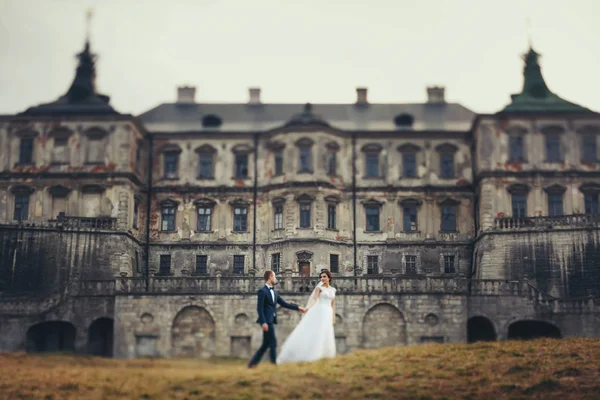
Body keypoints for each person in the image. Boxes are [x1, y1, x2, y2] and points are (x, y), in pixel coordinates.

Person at [276, 269, 336, 364]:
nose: (322, 278)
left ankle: (326, 355)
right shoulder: (319, 288)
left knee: (327, 332)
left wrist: (333, 317)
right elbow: (314, 300)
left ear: (329, 278)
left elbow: (333, 304)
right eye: (321, 277)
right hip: (321, 311)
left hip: (328, 312)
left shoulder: (333, 290)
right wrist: (307, 308)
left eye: (324, 276)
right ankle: (315, 355)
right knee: (319, 332)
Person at [248, 270, 306, 368]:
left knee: (265, 344)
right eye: (275, 277)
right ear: (270, 277)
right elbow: (260, 308)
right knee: (273, 342)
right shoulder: (262, 291)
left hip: (271, 319)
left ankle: (252, 364)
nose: (276, 279)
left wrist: (297, 308)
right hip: (267, 321)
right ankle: (273, 364)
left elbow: (284, 304)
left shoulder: (274, 292)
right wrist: (263, 322)